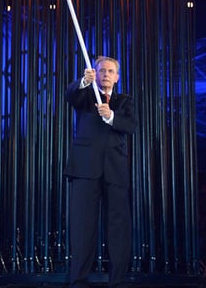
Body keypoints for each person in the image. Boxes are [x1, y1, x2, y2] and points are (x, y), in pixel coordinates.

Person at [65, 56, 137, 288]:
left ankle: (117, 281)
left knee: (118, 228)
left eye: (110, 71)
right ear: (94, 74)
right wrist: (82, 82)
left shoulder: (125, 101)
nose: (106, 74)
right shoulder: (85, 96)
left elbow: (131, 126)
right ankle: (78, 280)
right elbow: (71, 95)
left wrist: (112, 116)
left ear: (117, 77)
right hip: (85, 169)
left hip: (115, 171)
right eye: (101, 70)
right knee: (82, 227)